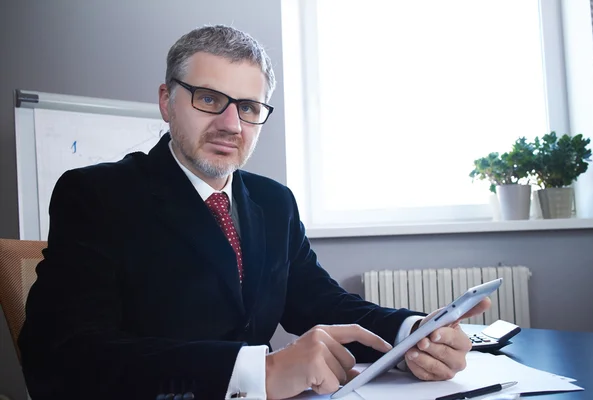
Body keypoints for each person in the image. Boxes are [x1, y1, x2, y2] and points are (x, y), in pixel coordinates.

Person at [18, 25, 490, 400]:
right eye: (208, 99)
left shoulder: (272, 201)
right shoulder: (97, 195)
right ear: (166, 101)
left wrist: (414, 334)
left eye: (247, 107)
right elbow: (63, 357)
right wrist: (258, 372)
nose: (230, 124)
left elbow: (323, 303)